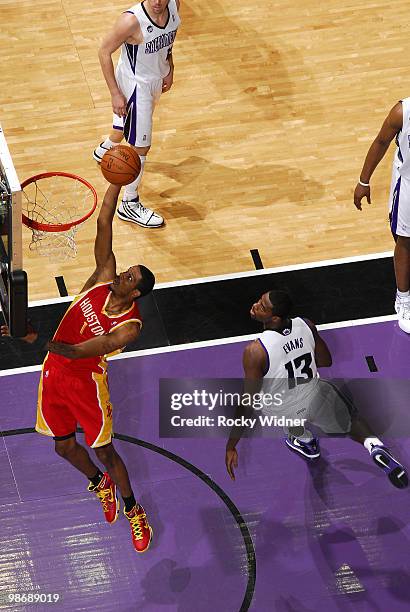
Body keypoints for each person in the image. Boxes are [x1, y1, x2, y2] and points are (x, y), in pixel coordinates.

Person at [35, 182, 155, 553]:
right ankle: (99, 484)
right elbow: (105, 222)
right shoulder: (103, 276)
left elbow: (87, 349)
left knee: (105, 451)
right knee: (64, 448)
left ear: (135, 293)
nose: (122, 276)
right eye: (126, 271)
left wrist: (32, 337)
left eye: (129, 278)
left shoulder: (130, 326)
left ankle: (133, 508)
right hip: (54, 371)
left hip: (86, 380)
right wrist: (115, 182)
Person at [225, 290, 408, 489]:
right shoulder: (306, 325)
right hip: (315, 395)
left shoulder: (255, 351)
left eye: (262, 306)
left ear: (274, 318)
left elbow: (247, 402)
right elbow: (325, 360)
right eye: (259, 300)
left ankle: (304, 440)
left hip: (283, 409)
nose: (255, 305)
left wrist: (231, 445)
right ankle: (373, 445)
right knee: (351, 419)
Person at [94, 0, 181, 229]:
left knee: (128, 127)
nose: (157, 2)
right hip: (136, 86)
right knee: (141, 146)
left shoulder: (174, 6)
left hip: (153, 80)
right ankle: (129, 203)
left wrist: (170, 66)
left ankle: (104, 149)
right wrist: (115, 93)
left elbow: (169, 41)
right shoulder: (131, 20)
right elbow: (104, 51)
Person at [354, 98, 410, 333]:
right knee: (406, 241)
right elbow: (381, 141)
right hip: (409, 183)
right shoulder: (402, 111)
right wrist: (363, 181)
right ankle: (404, 299)